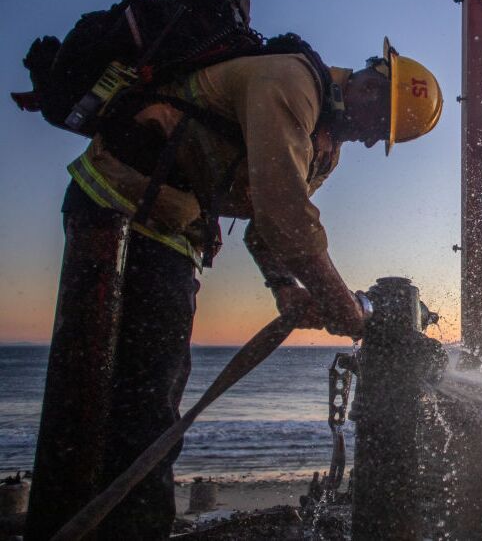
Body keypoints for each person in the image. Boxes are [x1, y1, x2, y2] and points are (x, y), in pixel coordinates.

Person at [25, 37, 442, 540]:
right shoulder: (289, 84)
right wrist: (340, 306)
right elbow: (286, 218)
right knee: (121, 404)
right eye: (381, 128)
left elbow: (264, 227)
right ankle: (104, 526)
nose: (374, 141)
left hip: (173, 229)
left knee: (149, 400)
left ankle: (115, 523)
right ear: (373, 88)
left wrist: (284, 287)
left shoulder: (323, 146)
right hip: (116, 207)